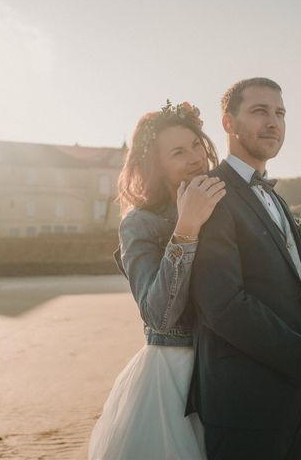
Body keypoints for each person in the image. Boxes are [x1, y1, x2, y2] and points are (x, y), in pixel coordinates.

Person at [187, 78, 301, 459]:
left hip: (295, 397)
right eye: (259, 111)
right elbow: (224, 305)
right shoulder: (210, 192)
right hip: (244, 404)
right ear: (228, 123)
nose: (273, 123)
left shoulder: (278, 201)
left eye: (280, 113)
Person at [88, 101, 225, 459]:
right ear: (156, 164)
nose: (196, 157)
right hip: (174, 377)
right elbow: (158, 315)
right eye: (178, 152)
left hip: (230, 366)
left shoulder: (226, 201)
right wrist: (187, 228)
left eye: (196, 144)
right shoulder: (139, 224)